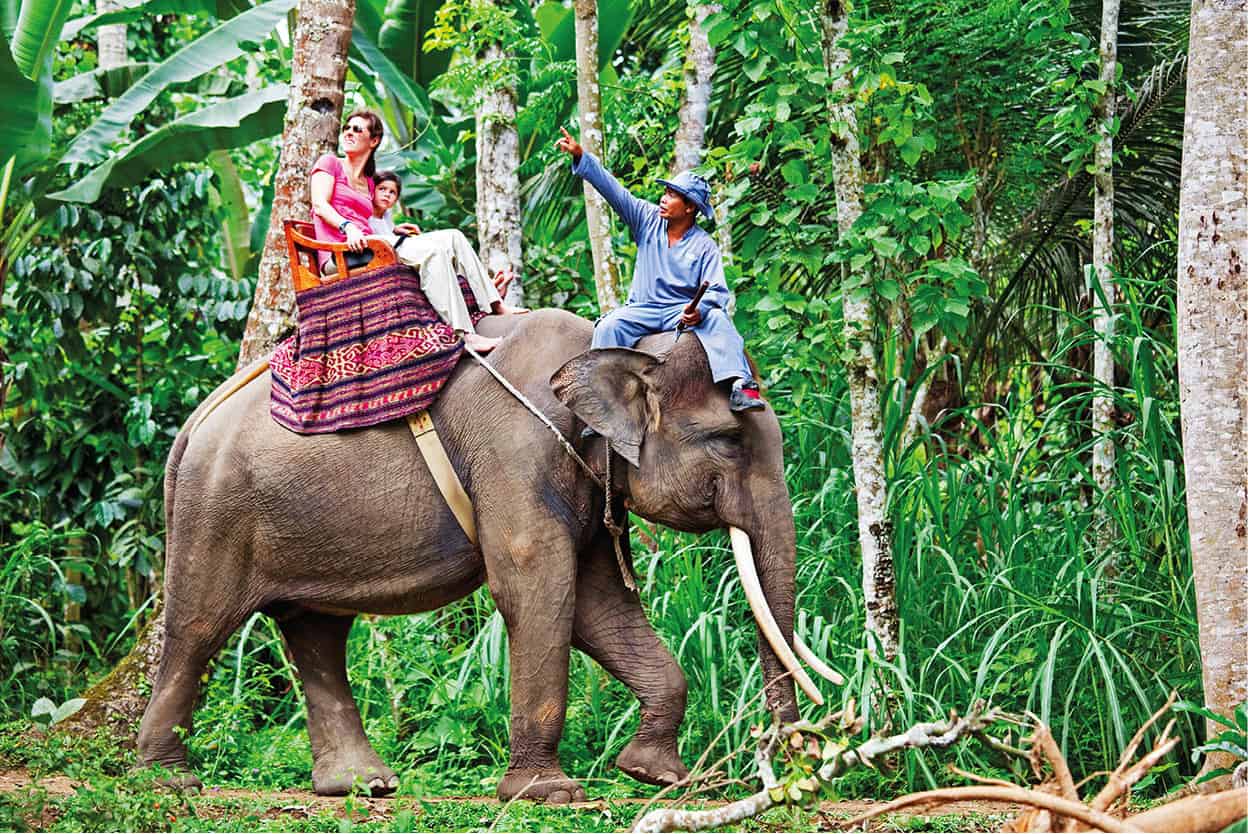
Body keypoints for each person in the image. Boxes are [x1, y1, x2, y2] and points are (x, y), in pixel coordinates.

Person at [555, 127, 763, 411]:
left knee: (718, 320)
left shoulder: (704, 245)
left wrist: (698, 311)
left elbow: (716, 291)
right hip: (643, 308)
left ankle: (741, 384)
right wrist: (582, 156)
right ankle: (602, 400)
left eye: (673, 194)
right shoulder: (646, 218)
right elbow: (613, 190)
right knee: (609, 326)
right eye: (666, 191)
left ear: (690, 207)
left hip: (680, 309)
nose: (664, 198)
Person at [308, 110, 517, 353]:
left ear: (373, 141)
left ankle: (495, 303)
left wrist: (393, 229)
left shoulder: (369, 181)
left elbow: (370, 218)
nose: (349, 133)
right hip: (342, 252)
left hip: (369, 245)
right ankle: (463, 334)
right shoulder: (330, 163)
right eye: (348, 128)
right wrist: (348, 227)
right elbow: (320, 205)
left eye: (357, 129)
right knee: (432, 251)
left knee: (454, 237)